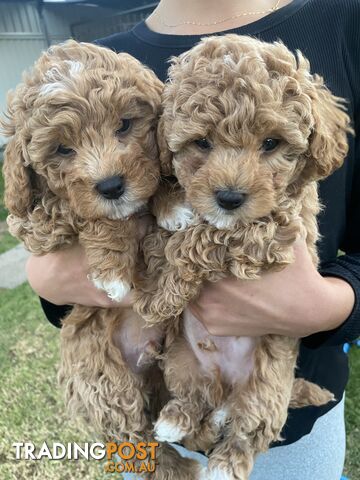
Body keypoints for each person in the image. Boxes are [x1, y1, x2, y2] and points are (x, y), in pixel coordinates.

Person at [26, 0, 360, 478]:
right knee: (119, 432)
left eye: (269, 144)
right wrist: (47, 275)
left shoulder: (345, 24)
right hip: (152, 402)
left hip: (291, 434)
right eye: (200, 143)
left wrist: (330, 306)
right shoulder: (112, 69)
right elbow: (73, 273)